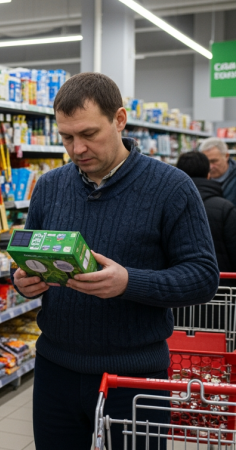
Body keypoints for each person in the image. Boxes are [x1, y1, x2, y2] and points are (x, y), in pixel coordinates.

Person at [12, 73, 219, 449]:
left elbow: (203, 277)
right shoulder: (49, 187)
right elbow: (30, 257)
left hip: (134, 378)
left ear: (119, 120)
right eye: (66, 137)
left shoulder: (171, 187)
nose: (77, 148)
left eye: (89, 134)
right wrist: (23, 282)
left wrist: (129, 282)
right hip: (56, 368)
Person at [176, 151, 236, 283]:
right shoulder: (225, 208)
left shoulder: (168, 206)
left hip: (180, 288)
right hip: (220, 289)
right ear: (208, 175)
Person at [200, 137, 236, 206]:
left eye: (214, 161)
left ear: (226, 156)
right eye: (207, 162)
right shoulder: (200, 177)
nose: (210, 167)